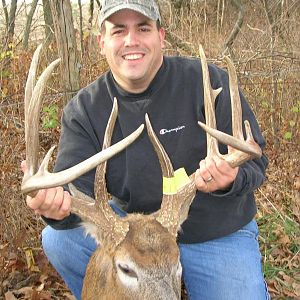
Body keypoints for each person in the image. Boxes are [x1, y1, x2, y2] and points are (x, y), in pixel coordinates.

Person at [22, 0, 270, 299]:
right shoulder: (85, 110)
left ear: (161, 37)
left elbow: (255, 163)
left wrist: (231, 178)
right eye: (118, 31)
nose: (131, 40)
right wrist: (54, 205)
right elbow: (73, 191)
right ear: (102, 42)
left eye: (143, 28)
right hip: (135, 236)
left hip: (215, 233)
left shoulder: (207, 81)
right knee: (59, 239)